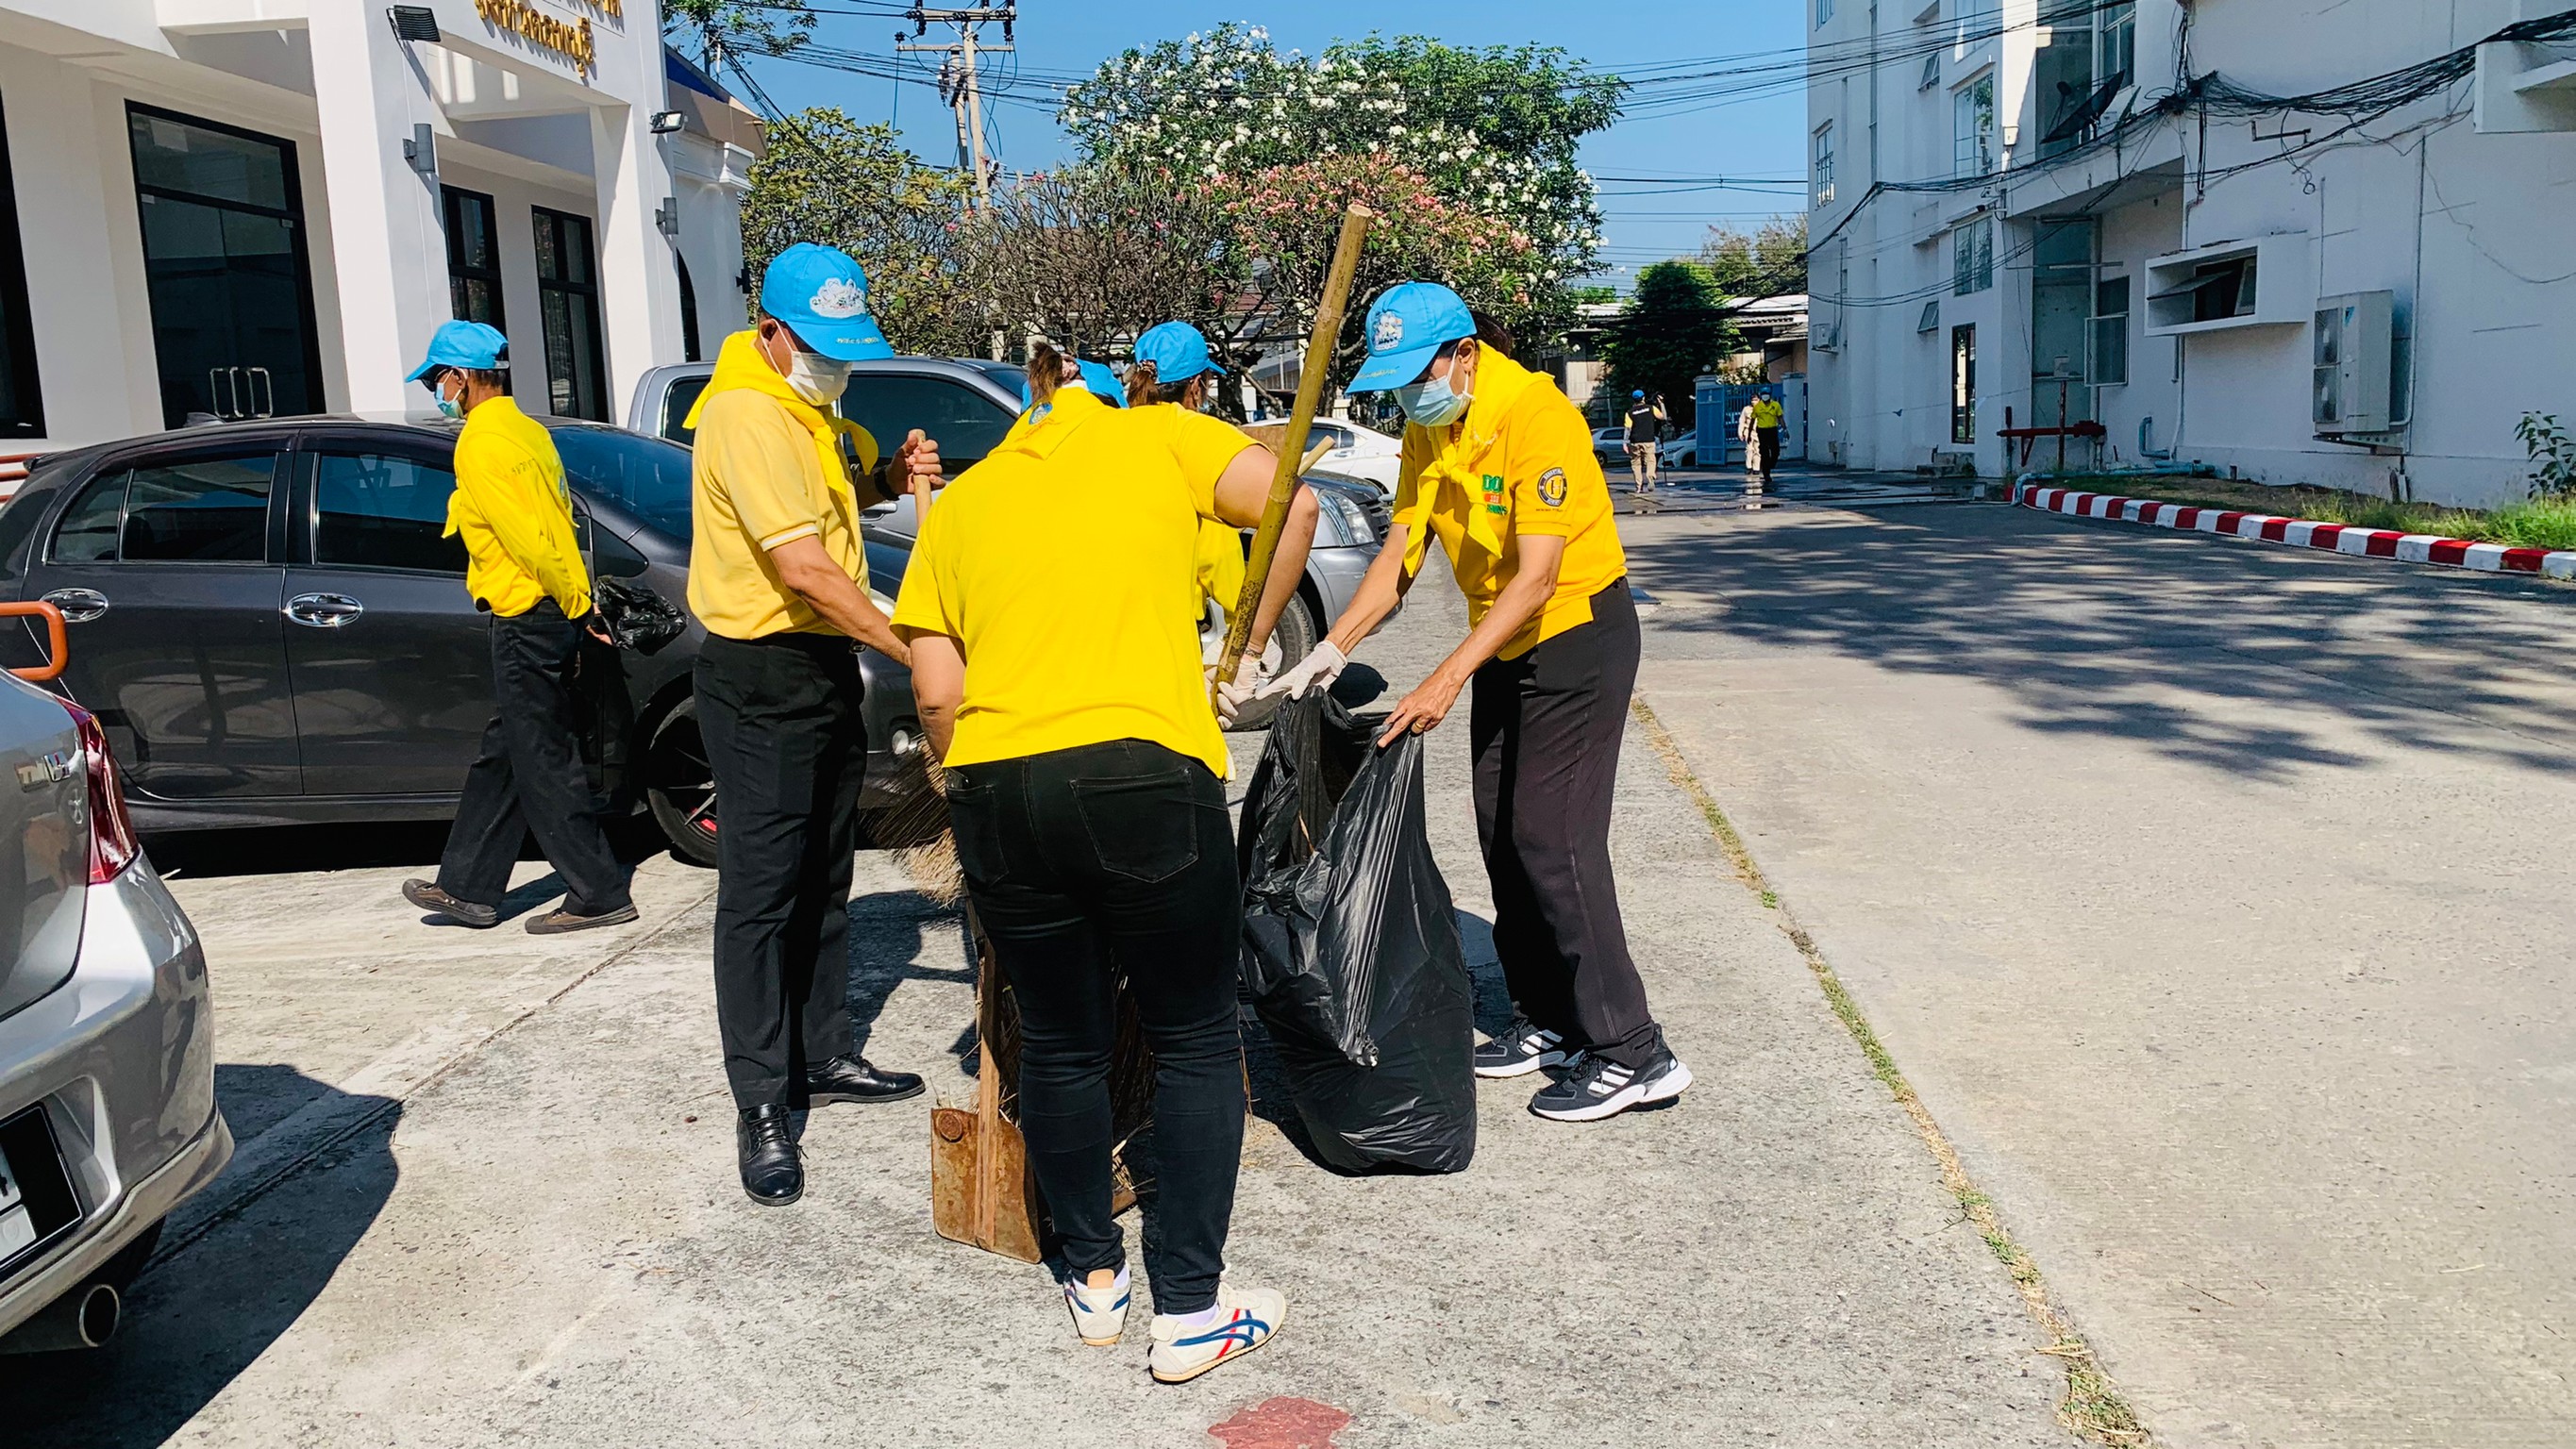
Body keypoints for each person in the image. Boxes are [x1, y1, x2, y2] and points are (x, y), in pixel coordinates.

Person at [892, 338, 1314, 1383]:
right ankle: (1191, 1310)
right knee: (1196, 1039)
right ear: (1105, 400)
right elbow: (1293, 505)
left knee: (1060, 1044)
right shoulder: (1160, 436)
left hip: (996, 789)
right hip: (1142, 773)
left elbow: (937, 693)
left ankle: (1092, 1277)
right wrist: (1249, 644)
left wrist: (973, 785)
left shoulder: (964, 504)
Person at [1266, 281, 1691, 1124]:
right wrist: (1329, 648)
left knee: (1554, 839)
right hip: (1502, 638)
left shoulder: (1536, 415)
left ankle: (1633, 1050)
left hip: (1576, 635)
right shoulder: (1430, 425)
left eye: (1415, 374)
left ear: (1464, 353)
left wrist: (1445, 677)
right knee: (1501, 829)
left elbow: (1537, 578)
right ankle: (1549, 1018)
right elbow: (1399, 555)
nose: (1406, 395)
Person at [684, 243, 942, 1207]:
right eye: (824, 347)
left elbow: (826, 512)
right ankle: (761, 1098)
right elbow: (803, 568)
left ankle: (824, 1052)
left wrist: (888, 481)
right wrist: (910, 647)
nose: (838, 365)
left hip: (822, 665)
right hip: (760, 674)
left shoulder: (806, 409)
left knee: (827, 874)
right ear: (772, 333)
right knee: (761, 892)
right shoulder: (746, 414)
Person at [399, 320, 635, 937]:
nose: (435, 391)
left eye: (435, 379)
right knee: (505, 752)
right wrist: (579, 602)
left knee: (543, 761)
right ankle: (467, 887)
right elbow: (561, 525)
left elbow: (529, 539)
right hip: (549, 609)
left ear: (460, 377)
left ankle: (599, 893)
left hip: (527, 614)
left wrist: (578, 605)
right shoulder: (530, 432)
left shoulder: (480, 442)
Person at [1125, 321, 1317, 712]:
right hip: (1157, 650)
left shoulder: (1102, 432)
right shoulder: (1188, 434)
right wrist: (1250, 644)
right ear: (1197, 386)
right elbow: (1299, 509)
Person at [1621, 388, 1665, 498]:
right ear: (1643, 398)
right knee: (1650, 461)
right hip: (1649, 440)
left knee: (1636, 464)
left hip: (1635, 441)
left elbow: (1628, 429)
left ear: (1633, 399)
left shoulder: (1630, 413)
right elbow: (1663, 417)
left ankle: (1638, 487)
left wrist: (1624, 443)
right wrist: (1661, 404)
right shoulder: (1651, 408)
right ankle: (1650, 478)